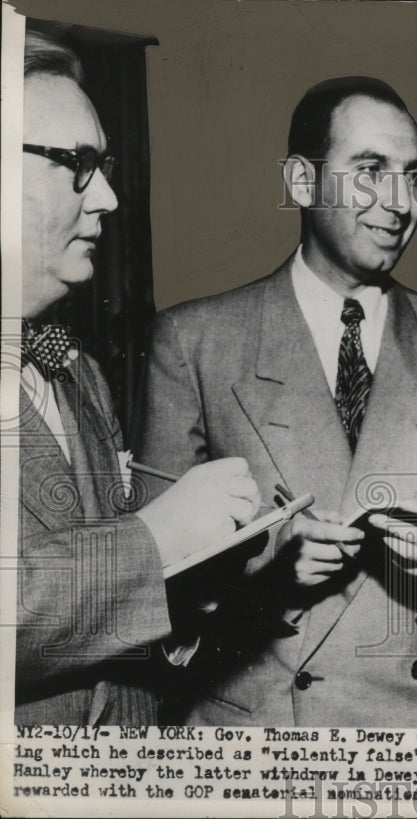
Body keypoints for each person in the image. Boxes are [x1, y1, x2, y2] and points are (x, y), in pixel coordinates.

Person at [136, 76, 417, 726]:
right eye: (371, 171)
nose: (400, 202)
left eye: (413, 176)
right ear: (299, 181)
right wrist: (267, 572)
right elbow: (150, 577)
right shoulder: (194, 341)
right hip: (262, 736)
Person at [15, 29, 260, 726]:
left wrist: (184, 592)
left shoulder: (77, 371)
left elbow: (95, 610)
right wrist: (155, 542)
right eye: (79, 164)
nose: (111, 200)